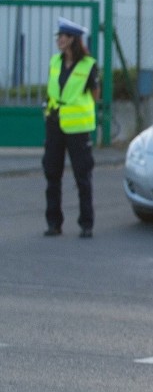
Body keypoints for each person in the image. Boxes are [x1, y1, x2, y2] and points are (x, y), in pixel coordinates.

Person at [42, 17, 100, 238]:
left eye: (63, 37)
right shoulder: (55, 62)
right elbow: (52, 90)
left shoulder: (88, 65)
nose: (59, 40)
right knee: (52, 173)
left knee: (82, 176)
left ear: (73, 40)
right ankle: (53, 223)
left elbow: (95, 95)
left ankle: (86, 224)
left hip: (77, 128)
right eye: (59, 37)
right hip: (55, 124)